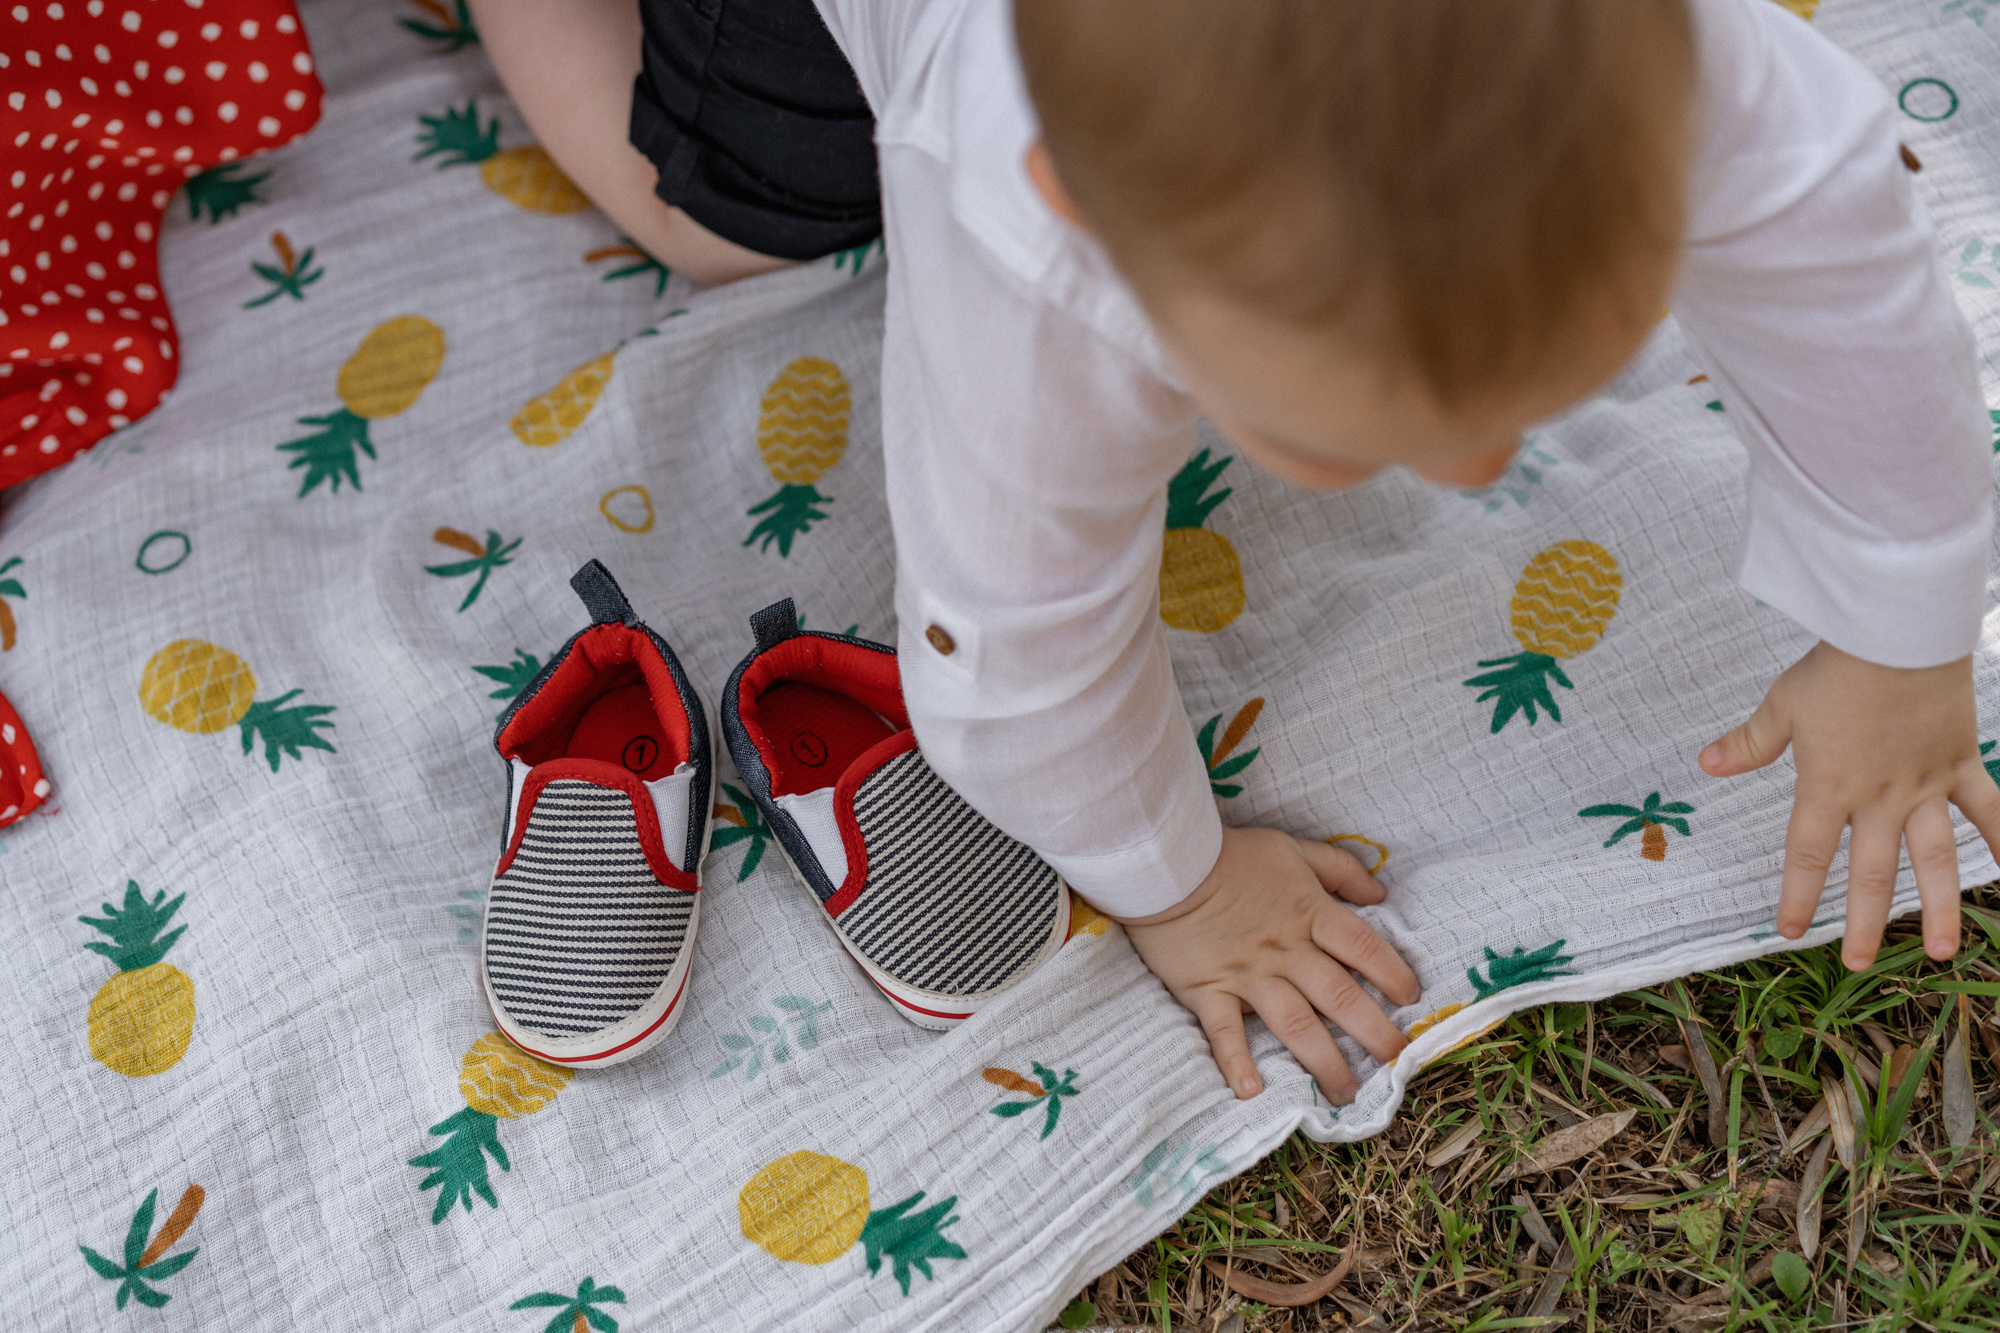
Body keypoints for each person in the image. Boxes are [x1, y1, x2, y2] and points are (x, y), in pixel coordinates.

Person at [467, 0, 2000, 1103]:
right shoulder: (1027, 252)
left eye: (1537, 385)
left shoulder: (1672, 64)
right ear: (1087, 216)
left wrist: (1902, 623)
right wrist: (1179, 882)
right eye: (1351, 429)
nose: (1470, 471)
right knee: (720, 207)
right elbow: (1014, 655)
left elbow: (1834, 257)